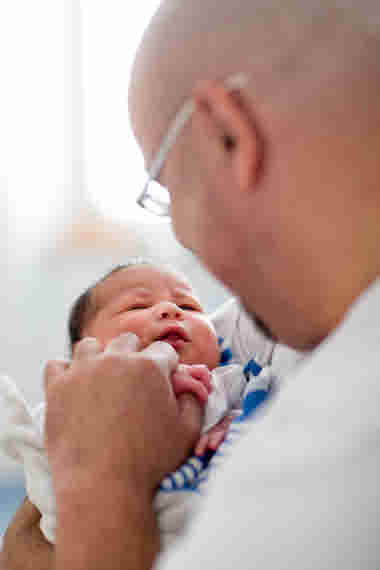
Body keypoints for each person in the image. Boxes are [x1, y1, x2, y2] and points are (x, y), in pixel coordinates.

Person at [3, 0, 380, 568]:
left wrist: (100, 479)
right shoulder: (308, 325)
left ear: (227, 135)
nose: (180, 230)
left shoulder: (341, 448)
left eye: (166, 185)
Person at [0, 260, 279, 548]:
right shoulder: (87, 393)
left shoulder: (233, 375)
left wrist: (233, 421)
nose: (171, 310)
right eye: (137, 307)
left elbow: (262, 409)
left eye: (190, 307)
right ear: (86, 352)